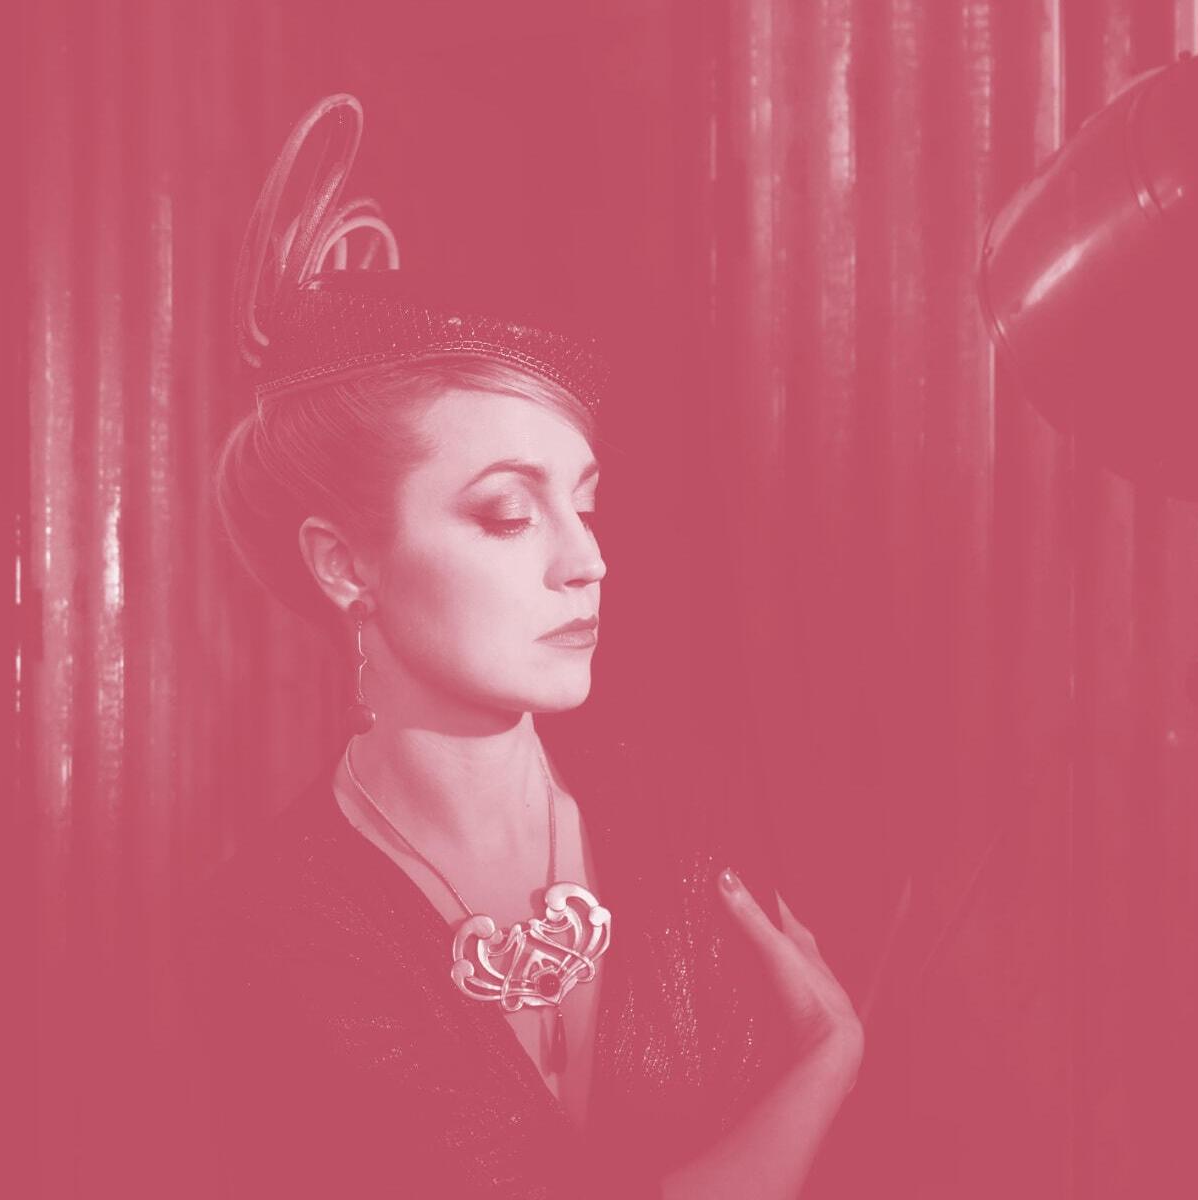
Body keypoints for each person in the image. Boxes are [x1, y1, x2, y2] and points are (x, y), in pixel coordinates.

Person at [186, 94, 863, 1199]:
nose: (586, 560)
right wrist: (829, 1062)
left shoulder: (685, 829)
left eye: (583, 504)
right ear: (344, 565)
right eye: (508, 515)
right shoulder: (266, 930)